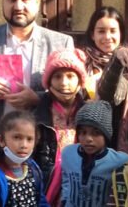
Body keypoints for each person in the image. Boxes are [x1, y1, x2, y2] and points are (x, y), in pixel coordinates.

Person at [0, 111, 51, 207]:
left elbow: (41, 201)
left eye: (29, 139)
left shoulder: (33, 169)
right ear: (1, 140)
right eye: (17, 137)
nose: (24, 145)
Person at [58, 101, 128, 207]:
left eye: (96, 133)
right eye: (83, 132)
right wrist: (65, 200)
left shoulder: (120, 161)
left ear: (106, 136)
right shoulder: (68, 153)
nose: (88, 139)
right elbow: (66, 178)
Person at [33, 49, 89, 186]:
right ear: (49, 81)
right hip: (45, 183)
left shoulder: (89, 112)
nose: (64, 83)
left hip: (81, 181)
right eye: (57, 77)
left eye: (70, 76)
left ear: (80, 82)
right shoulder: (36, 113)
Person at [80, 6, 128, 98]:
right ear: (92, 35)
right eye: (101, 31)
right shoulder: (80, 61)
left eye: (113, 31)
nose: (107, 37)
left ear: (120, 34)